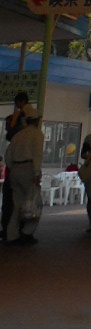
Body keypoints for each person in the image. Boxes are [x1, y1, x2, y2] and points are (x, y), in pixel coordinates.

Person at [3, 107, 43, 245]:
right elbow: (37, 154)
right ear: (37, 121)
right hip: (29, 169)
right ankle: (27, 233)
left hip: (15, 170)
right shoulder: (37, 134)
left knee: (17, 205)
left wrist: (12, 168)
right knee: (34, 203)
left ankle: (11, 234)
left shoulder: (18, 135)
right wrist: (37, 173)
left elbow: (8, 156)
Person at [1, 90, 29, 242]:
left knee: (16, 202)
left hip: (18, 168)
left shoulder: (25, 125)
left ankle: (15, 230)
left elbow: (10, 132)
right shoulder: (17, 125)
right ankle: (10, 229)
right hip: (14, 169)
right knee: (11, 201)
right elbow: (9, 133)